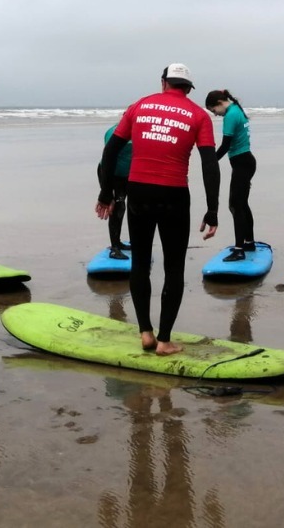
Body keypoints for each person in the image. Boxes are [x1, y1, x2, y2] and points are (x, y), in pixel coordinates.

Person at [96, 63, 219, 356]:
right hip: (174, 194)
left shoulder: (139, 106)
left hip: (138, 191)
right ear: (188, 89)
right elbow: (209, 164)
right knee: (173, 267)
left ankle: (145, 333)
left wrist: (106, 193)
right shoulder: (199, 116)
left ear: (163, 82)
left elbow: (111, 149)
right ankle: (164, 340)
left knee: (139, 262)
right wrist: (212, 209)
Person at [205, 89, 256, 262]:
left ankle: (239, 249)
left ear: (219, 103)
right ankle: (249, 242)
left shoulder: (230, 115)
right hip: (245, 162)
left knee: (236, 206)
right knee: (242, 205)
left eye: (213, 110)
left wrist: (211, 161)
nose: (215, 114)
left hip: (242, 163)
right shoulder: (236, 109)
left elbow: (225, 145)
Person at [98, 121, 133, 260]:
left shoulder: (141, 131)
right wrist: (106, 192)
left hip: (128, 174)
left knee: (132, 207)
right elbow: (107, 159)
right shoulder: (114, 132)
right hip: (110, 174)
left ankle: (121, 243)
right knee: (117, 207)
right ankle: (114, 248)